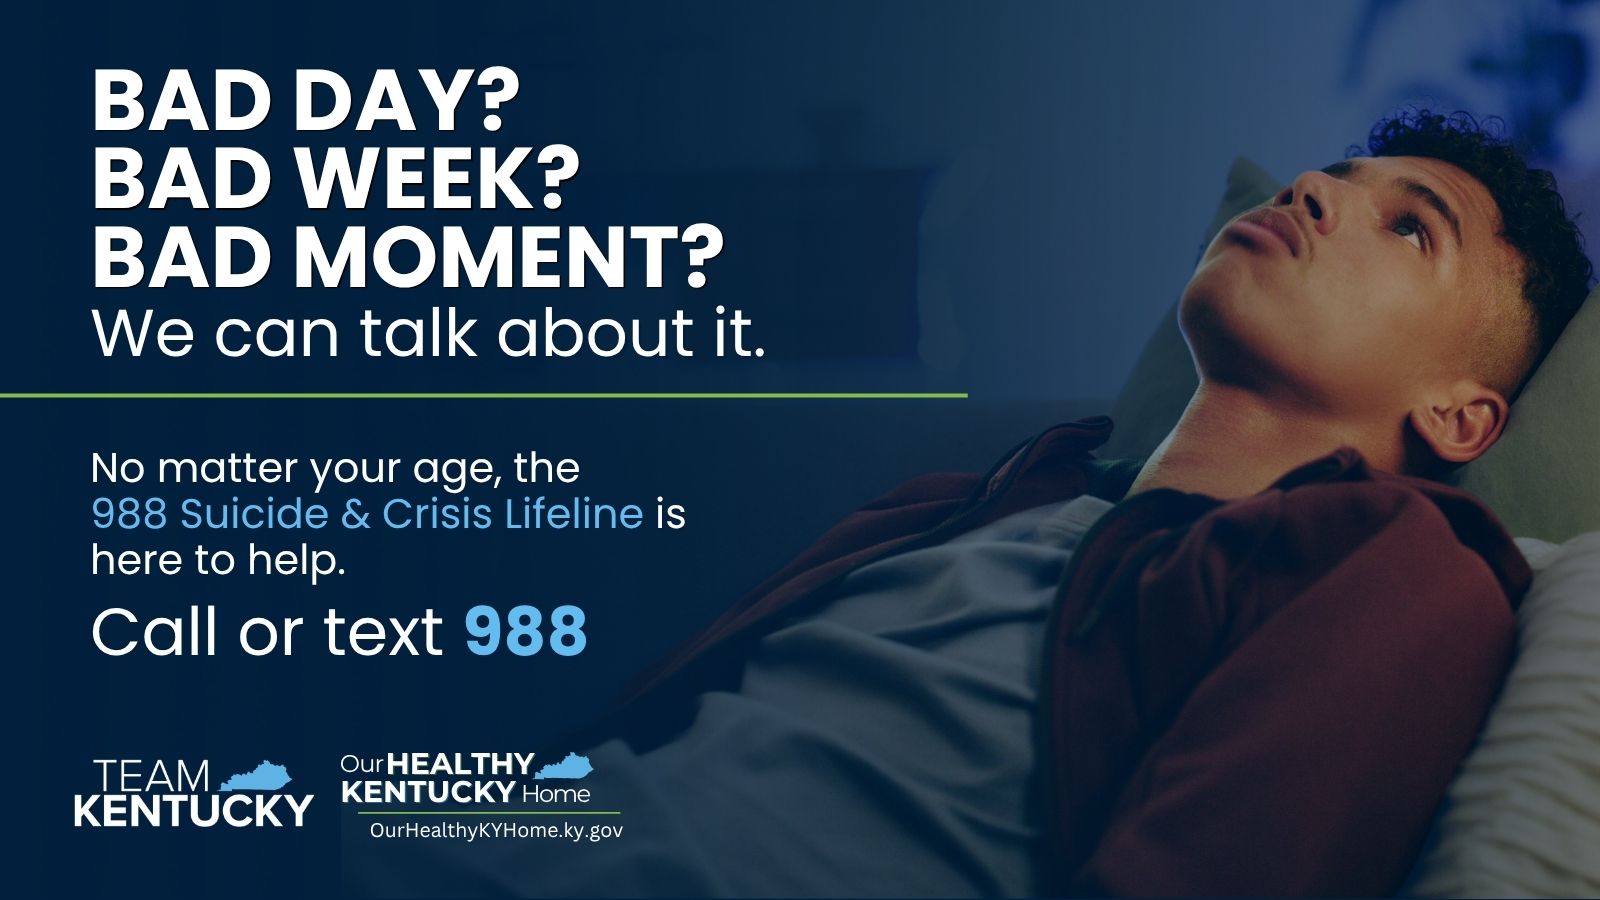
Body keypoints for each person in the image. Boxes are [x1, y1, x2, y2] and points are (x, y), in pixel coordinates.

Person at [348, 110, 1592, 898]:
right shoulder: (969, 501)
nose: (1315, 192)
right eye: (1330, 171)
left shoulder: (1394, 568)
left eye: (1407, 229)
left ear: (1461, 416)